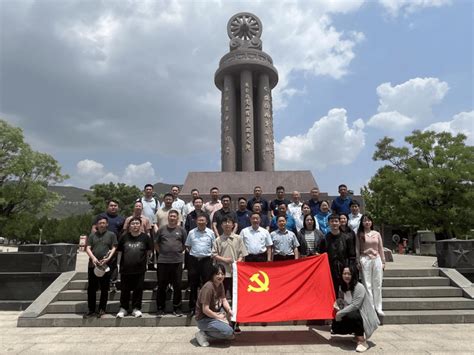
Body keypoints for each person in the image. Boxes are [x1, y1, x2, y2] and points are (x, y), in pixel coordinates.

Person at [332, 265, 379, 353]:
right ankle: (356, 335)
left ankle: (362, 341)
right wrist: (338, 304)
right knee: (335, 326)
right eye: (344, 273)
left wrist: (340, 313)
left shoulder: (359, 287)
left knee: (351, 315)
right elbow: (342, 300)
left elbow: (355, 305)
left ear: (353, 275)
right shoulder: (342, 287)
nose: (346, 276)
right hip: (352, 313)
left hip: (363, 316)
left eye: (349, 274)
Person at [116, 217, 153, 318]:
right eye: (133, 223)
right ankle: (123, 308)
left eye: (137, 223)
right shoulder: (124, 237)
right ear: (129, 226)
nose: (135, 225)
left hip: (139, 268)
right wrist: (118, 264)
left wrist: (146, 262)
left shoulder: (145, 237)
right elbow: (119, 252)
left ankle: (136, 308)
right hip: (125, 268)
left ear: (140, 225)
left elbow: (149, 252)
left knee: (138, 289)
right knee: (124, 289)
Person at [155, 209, 187, 317]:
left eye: (174, 216)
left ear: (177, 218)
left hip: (177, 261)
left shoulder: (181, 230)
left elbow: (184, 244)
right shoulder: (161, 230)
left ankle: (177, 308)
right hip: (163, 261)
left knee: (177, 285)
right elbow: (156, 244)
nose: (172, 218)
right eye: (171, 216)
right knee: (161, 286)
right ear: (168, 217)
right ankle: (160, 308)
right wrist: (163, 253)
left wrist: (177, 252)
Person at [84, 216, 117, 318]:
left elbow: (114, 247)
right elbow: (88, 248)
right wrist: (93, 258)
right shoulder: (92, 236)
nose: (102, 225)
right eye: (100, 223)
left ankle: (102, 309)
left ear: (107, 224)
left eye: (104, 223)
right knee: (92, 288)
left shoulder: (111, 235)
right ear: (97, 225)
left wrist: (108, 259)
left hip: (105, 265)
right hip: (93, 265)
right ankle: (91, 309)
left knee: (104, 288)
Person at [194, 264, 234, 347]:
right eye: (217, 274)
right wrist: (218, 317)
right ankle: (203, 334)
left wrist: (229, 310)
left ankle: (212, 331)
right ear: (212, 275)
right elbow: (205, 309)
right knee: (228, 332)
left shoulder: (220, 284)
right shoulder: (208, 288)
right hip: (204, 319)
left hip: (215, 312)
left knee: (230, 331)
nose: (220, 276)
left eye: (222, 274)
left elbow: (223, 299)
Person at [91, 199, 125, 290]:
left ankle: (112, 282)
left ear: (118, 207)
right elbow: (94, 228)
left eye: (115, 206)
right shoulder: (101, 216)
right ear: (108, 207)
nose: (113, 207)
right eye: (111, 205)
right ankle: (98, 282)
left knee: (113, 264)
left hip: (114, 245)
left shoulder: (121, 219)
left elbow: (122, 233)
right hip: (101, 244)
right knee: (99, 262)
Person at [318, 214, 356, 295]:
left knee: (346, 292)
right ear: (328, 223)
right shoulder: (324, 239)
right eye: (332, 221)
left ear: (339, 223)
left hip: (344, 269)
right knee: (332, 292)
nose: (334, 223)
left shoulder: (347, 238)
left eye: (336, 221)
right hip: (330, 270)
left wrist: (349, 269)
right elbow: (321, 256)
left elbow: (352, 255)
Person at [186, 213, 216, 314]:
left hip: (206, 261)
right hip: (194, 261)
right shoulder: (191, 232)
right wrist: (196, 254)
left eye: (203, 220)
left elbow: (214, 246)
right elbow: (188, 246)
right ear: (196, 221)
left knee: (207, 284)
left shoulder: (211, 232)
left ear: (207, 222)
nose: (201, 222)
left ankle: (207, 307)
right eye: (199, 220)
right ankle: (192, 307)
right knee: (193, 285)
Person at [357, 214, 386, 316]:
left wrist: (383, 262)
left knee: (377, 284)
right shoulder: (360, 234)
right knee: (367, 285)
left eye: (369, 220)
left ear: (372, 222)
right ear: (362, 222)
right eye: (365, 221)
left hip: (376, 259)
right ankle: (371, 307)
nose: (367, 222)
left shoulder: (377, 234)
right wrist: (358, 261)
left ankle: (379, 307)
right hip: (365, 259)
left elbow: (381, 248)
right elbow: (357, 249)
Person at [212, 217, 248, 297]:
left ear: (233, 225)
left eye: (229, 222)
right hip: (222, 272)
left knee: (235, 293)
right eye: (225, 222)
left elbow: (242, 254)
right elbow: (214, 254)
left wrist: (236, 263)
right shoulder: (218, 240)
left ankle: (234, 309)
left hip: (235, 271)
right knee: (221, 292)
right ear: (221, 225)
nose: (227, 224)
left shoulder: (238, 238)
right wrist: (225, 260)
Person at [138, 184, 159, 271]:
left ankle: (151, 265)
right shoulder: (140, 200)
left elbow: (157, 213)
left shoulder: (156, 201)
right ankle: (141, 264)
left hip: (152, 226)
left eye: (150, 189)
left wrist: (156, 225)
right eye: (147, 189)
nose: (148, 191)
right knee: (142, 245)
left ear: (152, 191)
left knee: (153, 245)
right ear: (144, 190)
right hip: (142, 225)